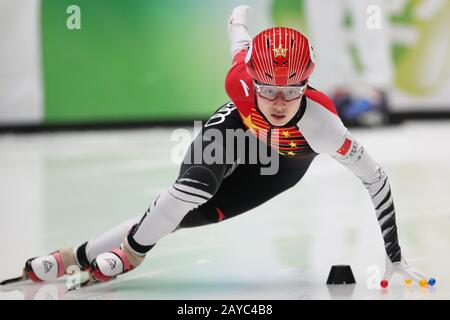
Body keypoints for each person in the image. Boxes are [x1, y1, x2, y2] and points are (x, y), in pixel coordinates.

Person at [1, 5, 434, 289]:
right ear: (252, 81)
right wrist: (237, 20)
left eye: (293, 91)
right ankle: (132, 254)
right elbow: (238, 41)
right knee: (192, 187)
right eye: (268, 90)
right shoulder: (240, 81)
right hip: (236, 130)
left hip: (286, 162)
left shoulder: (324, 126)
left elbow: (376, 181)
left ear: (308, 82)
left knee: (186, 218)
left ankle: (74, 256)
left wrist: (394, 258)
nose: (280, 102)